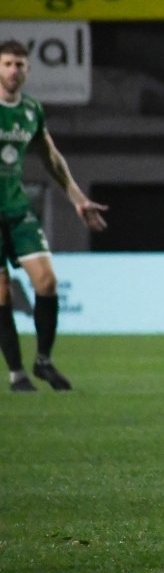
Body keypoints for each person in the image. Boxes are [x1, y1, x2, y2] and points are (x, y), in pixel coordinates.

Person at [0, 40, 108, 392]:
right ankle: (17, 374)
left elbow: (50, 157)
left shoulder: (31, 110)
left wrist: (78, 199)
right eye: (7, 64)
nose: (13, 70)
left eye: (19, 64)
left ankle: (43, 361)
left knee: (46, 281)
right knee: (1, 293)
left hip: (17, 209)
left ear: (28, 70)